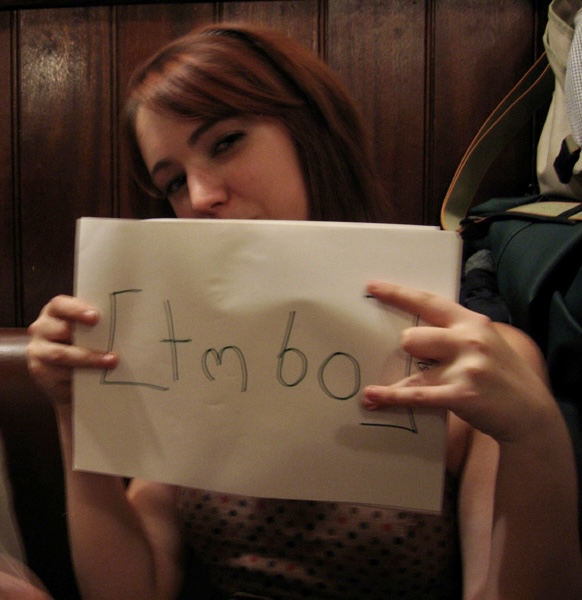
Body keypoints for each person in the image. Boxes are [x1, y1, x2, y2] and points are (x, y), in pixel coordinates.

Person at [26, 22, 582, 600]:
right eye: (172, 182)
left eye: (225, 142)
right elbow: (132, 590)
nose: (199, 196)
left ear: (311, 133)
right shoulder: (190, 348)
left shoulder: (467, 360)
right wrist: (77, 411)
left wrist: (534, 434)